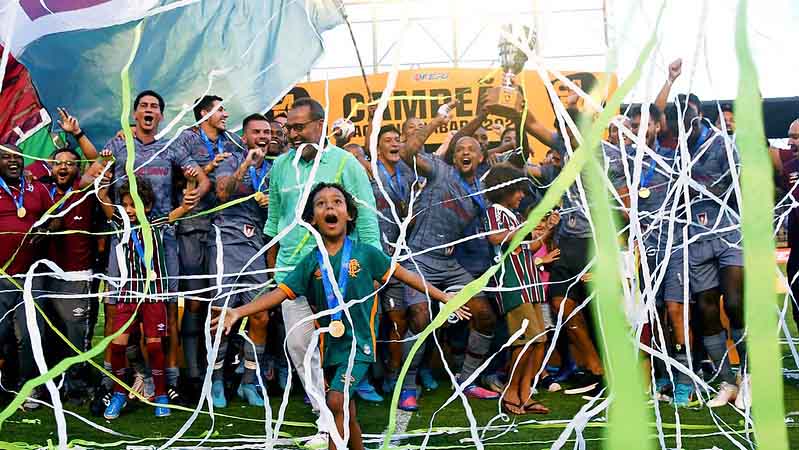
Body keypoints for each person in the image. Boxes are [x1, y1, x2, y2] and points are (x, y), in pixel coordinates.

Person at [211, 182, 467, 450]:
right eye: (321, 204)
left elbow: (407, 276)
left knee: (335, 401)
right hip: (330, 348)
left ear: (349, 215)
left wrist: (443, 297)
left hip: (360, 345)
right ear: (312, 218)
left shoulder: (366, 254)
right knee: (347, 411)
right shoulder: (311, 262)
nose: (329, 207)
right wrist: (239, 311)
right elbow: (279, 294)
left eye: (337, 202)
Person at [265, 96, 380, 446]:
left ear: (320, 125)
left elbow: (368, 219)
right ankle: (324, 417)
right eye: (289, 129)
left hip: (343, 275)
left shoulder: (346, 163)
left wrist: (373, 270)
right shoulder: (280, 166)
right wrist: (275, 270)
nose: (293, 135)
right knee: (301, 346)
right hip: (294, 273)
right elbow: (274, 223)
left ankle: (339, 412)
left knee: (339, 349)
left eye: (300, 128)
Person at [503, 101, 629, 396]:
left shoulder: (609, 156)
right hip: (568, 241)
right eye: (563, 133)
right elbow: (532, 124)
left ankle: (616, 372)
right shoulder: (565, 152)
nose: (566, 139)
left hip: (597, 242)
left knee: (603, 310)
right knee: (561, 306)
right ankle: (596, 367)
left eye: (570, 132)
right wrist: (515, 102)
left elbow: (626, 203)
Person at [99, 90, 211, 404]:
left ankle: (169, 383)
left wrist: (194, 195)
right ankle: (115, 381)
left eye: (155, 107)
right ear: (135, 113)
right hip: (124, 241)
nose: (149, 111)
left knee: (166, 315)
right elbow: (91, 177)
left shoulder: (171, 147)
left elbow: (202, 180)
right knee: (115, 314)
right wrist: (101, 175)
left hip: (163, 240)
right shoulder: (119, 144)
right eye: (144, 106)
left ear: (161, 115)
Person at [398, 103, 501, 404]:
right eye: (459, 150)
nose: (464, 153)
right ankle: (408, 386)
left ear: (481, 157)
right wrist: (440, 119)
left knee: (484, 315)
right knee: (420, 318)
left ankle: (466, 380)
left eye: (471, 149)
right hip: (418, 258)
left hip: (449, 264)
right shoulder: (439, 171)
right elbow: (407, 154)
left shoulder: (481, 193)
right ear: (454, 157)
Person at [97, 176, 196, 419]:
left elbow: (185, 207)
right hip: (127, 294)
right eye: (126, 205)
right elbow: (102, 198)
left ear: (148, 207)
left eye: (135, 205)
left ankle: (161, 394)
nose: (130, 210)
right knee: (117, 344)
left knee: (154, 346)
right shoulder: (119, 222)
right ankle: (120, 393)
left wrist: (192, 185)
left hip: (153, 295)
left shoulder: (157, 223)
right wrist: (103, 173)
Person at [678, 97, 747, 409]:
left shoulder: (721, 144)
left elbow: (739, 186)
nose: (686, 128)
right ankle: (726, 381)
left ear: (700, 116)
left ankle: (748, 376)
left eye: (689, 120)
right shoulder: (673, 149)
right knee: (705, 308)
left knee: (733, 303)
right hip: (695, 235)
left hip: (727, 231)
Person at [172, 94, 241, 395]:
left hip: (227, 231)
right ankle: (193, 373)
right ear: (203, 113)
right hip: (193, 228)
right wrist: (209, 167)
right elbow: (175, 175)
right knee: (196, 301)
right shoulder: (185, 139)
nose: (225, 114)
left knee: (222, 302)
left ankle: (221, 370)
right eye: (219, 108)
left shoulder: (234, 141)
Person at [627, 104, 694, 406]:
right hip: (645, 250)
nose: (639, 130)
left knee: (675, 310)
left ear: (658, 126)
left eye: (646, 125)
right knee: (654, 315)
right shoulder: (627, 161)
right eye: (634, 125)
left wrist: (669, 80)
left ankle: (685, 379)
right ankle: (664, 372)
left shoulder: (673, 158)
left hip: (675, 246)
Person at [207, 113, 272, 407]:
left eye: (267, 132)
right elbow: (222, 193)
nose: (263, 136)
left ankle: (249, 382)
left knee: (260, 315)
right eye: (257, 132)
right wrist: (247, 163)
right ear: (244, 137)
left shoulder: (274, 169)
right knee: (220, 317)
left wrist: (273, 203)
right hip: (227, 242)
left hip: (256, 246)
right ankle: (216, 381)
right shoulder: (231, 159)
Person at [484, 163, 557, 415]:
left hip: (531, 283)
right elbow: (495, 238)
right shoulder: (495, 211)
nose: (522, 195)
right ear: (504, 190)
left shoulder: (515, 217)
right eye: (518, 191)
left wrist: (547, 229)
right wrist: (527, 226)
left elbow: (531, 247)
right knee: (524, 341)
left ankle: (525, 393)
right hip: (513, 284)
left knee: (539, 341)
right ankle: (511, 392)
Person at [0, 143, 56, 410]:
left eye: (17, 157)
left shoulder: (38, 189)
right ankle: (6, 383)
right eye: (5, 157)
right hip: (0, 277)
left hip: (31, 277)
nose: (13, 162)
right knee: (2, 334)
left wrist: (47, 229)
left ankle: (29, 388)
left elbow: (56, 217)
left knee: (31, 335)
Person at [41, 147, 97, 402]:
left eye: (70, 164)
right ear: (50, 167)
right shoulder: (41, 191)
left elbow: (98, 162)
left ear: (78, 169)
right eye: (58, 163)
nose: (63, 167)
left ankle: (75, 386)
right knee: (49, 334)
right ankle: (52, 383)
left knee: (75, 338)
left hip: (77, 277)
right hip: (46, 276)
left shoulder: (84, 191)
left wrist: (76, 134)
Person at [369, 125, 417, 401]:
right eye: (388, 140)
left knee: (398, 318)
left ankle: (394, 373)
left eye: (397, 140)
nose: (394, 144)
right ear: (377, 148)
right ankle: (364, 376)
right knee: (371, 318)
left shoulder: (409, 176)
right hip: (374, 253)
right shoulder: (368, 174)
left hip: (400, 255)